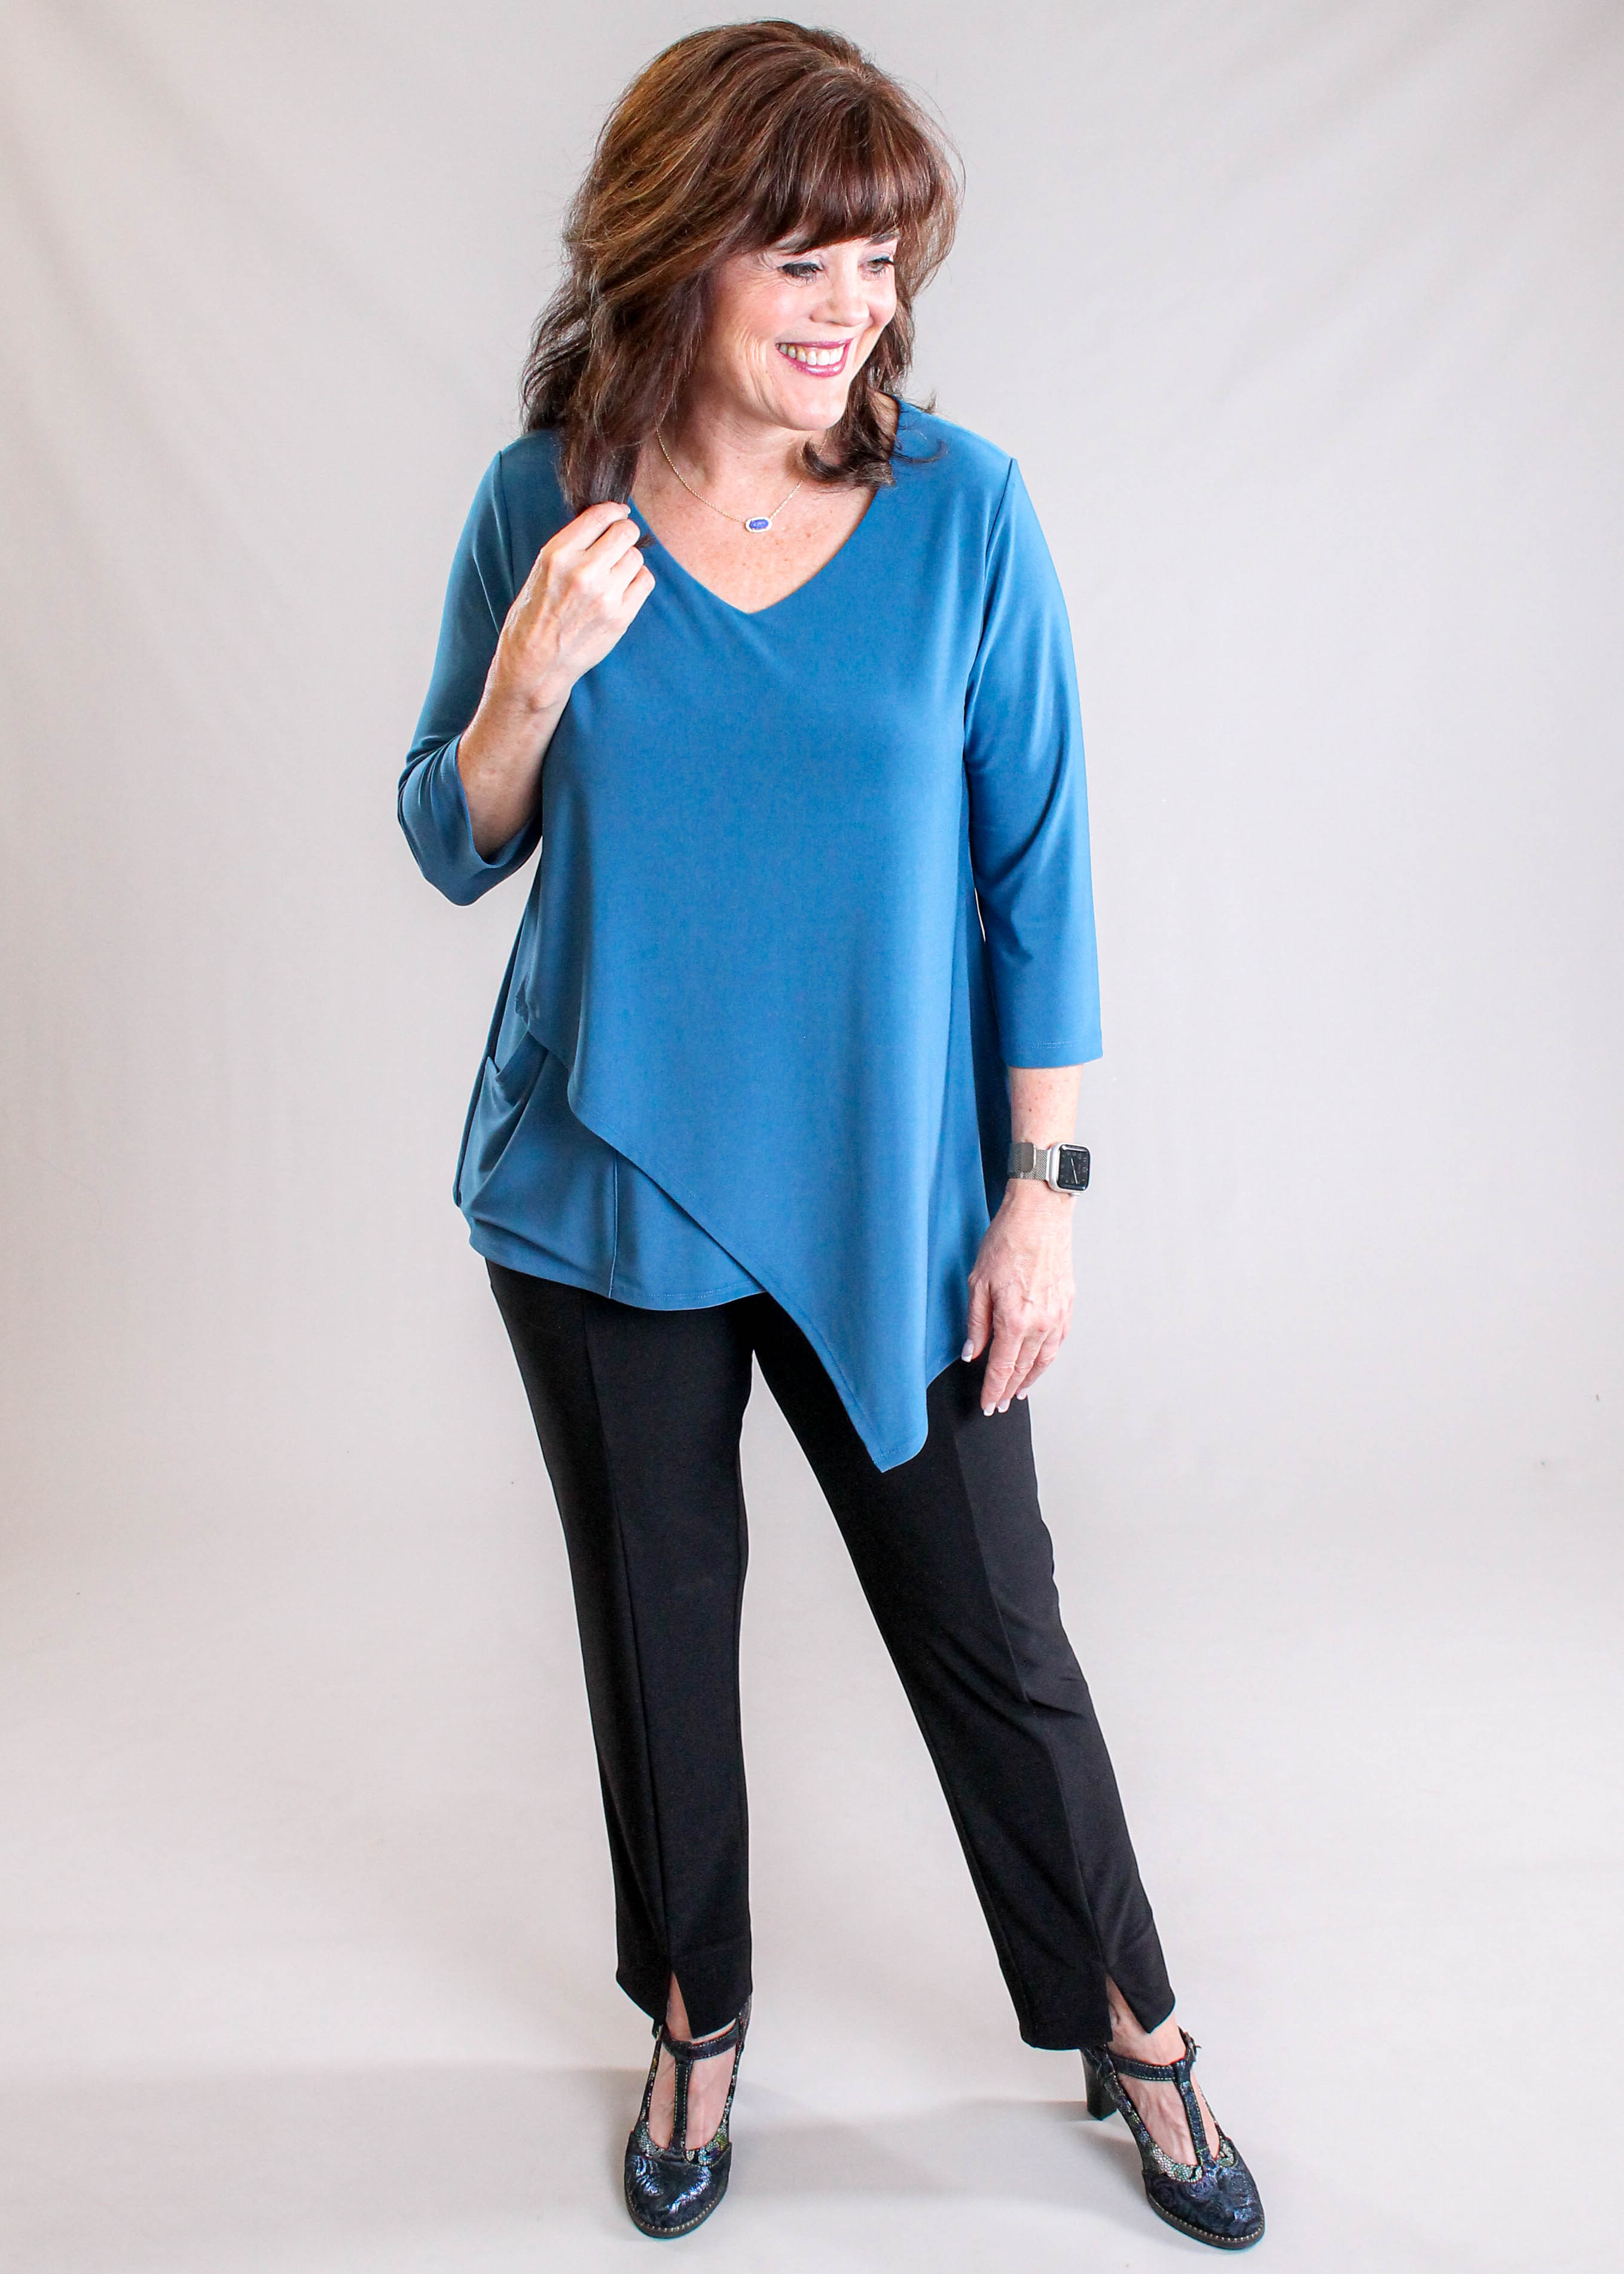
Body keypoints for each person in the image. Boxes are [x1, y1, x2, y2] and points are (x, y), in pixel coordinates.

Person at [399, 19, 1263, 2252]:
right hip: (601, 1181)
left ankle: (1137, 2031)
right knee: (658, 1637)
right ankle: (695, 2020)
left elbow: (1037, 879)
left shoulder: (965, 511)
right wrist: (526, 680)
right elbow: (451, 834)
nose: (850, 308)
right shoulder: (545, 501)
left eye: (879, 263)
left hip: (894, 1194)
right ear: (677, 250)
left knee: (997, 1637)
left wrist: (1038, 1199)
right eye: (803, 258)